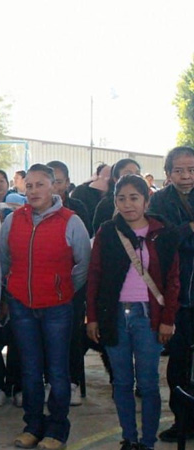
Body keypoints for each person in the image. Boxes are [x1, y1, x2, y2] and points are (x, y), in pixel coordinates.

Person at [0, 164, 91, 450]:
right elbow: (4, 259)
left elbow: (83, 264)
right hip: (22, 307)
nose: (34, 190)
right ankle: (33, 426)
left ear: (54, 187)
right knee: (30, 370)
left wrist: (63, 289)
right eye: (29, 185)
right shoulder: (13, 220)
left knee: (58, 371)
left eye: (40, 184)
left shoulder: (71, 221)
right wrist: (11, 289)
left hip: (57, 309)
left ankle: (57, 429)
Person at [87, 174, 179, 450]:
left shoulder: (163, 232)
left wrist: (168, 320)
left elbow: (173, 280)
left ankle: (147, 441)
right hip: (114, 315)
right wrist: (92, 317)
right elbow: (94, 276)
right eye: (121, 198)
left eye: (134, 198)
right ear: (115, 202)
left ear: (147, 200)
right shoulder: (107, 232)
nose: (128, 204)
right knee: (122, 382)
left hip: (148, 317)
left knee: (148, 383)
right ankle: (129, 438)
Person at [148, 146, 194, 442]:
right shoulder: (159, 201)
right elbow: (161, 243)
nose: (186, 176)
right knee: (178, 363)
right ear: (167, 173)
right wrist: (189, 228)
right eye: (179, 170)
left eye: (191, 170)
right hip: (177, 297)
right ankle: (183, 421)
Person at [46, 161, 92, 406]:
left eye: (58, 181)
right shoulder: (27, 212)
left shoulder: (78, 209)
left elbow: (84, 252)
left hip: (71, 285)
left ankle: (72, 381)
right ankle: (47, 381)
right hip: (41, 288)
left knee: (72, 335)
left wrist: (72, 286)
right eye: (49, 182)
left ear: (67, 183)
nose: (53, 187)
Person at [92, 159, 141, 233]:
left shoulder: (148, 201)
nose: (134, 177)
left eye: (137, 174)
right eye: (128, 174)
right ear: (116, 179)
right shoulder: (106, 205)